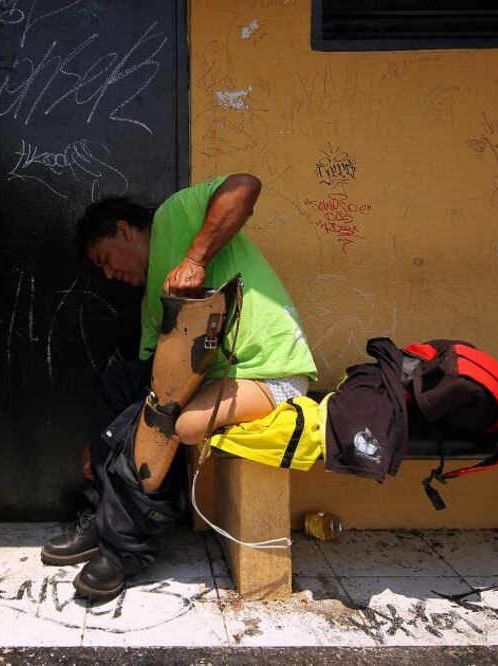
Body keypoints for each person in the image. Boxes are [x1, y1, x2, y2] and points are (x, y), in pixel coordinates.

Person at [41, 174, 318, 601]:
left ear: (123, 230)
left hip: (269, 372)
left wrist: (196, 258)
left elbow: (245, 185)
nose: (109, 273)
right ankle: (102, 516)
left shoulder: (176, 215)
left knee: (177, 422)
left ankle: (124, 552)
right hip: (212, 378)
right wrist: (98, 442)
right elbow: (148, 381)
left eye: (104, 259)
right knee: (124, 384)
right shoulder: (152, 305)